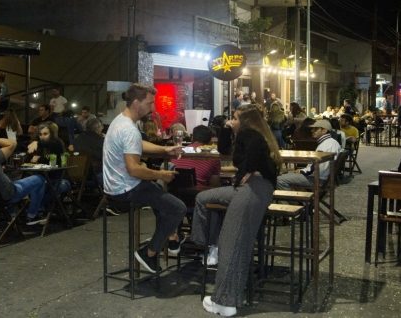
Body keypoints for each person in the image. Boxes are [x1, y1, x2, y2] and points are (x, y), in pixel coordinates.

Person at [191, 105, 281, 317]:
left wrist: (245, 171)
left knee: (233, 243)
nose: (232, 120)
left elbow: (253, 152)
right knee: (204, 198)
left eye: (235, 117)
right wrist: (226, 129)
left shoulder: (250, 134)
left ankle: (224, 302)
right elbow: (224, 151)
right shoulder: (256, 134)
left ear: (245, 119)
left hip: (253, 189)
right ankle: (210, 246)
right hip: (253, 189)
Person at [103, 83, 186, 274]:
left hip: (113, 186)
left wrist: (165, 149)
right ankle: (149, 252)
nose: (152, 108)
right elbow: (134, 170)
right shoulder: (129, 129)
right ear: (135, 103)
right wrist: (161, 174)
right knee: (177, 208)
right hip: (125, 191)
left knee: (160, 196)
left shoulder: (120, 121)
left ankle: (171, 236)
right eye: (149, 103)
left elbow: (137, 144)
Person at [276, 119, 341, 190]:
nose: (312, 131)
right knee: (288, 176)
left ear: (324, 130)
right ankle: (299, 199)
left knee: (279, 179)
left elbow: (319, 167)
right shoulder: (331, 142)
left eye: (316, 129)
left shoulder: (326, 145)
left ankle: (294, 200)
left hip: (317, 179)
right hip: (322, 177)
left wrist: (302, 171)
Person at [27, 122, 71, 224]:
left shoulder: (57, 142)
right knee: (37, 184)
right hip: (45, 178)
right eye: (40, 134)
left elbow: (52, 160)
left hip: (61, 180)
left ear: (52, 134)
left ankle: (36, 212)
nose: (42, 137)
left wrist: (37, 144)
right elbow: (32, 158)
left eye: (45, 134)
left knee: (47, 187)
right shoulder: (40, 145)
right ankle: (36, 213)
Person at [73, 117, 104, 185]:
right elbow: (104, 157)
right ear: (98, 128)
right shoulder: (100, 141)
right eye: (101, 127)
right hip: (93, 175)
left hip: (75, 174)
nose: (102, 128)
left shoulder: (78, 138)